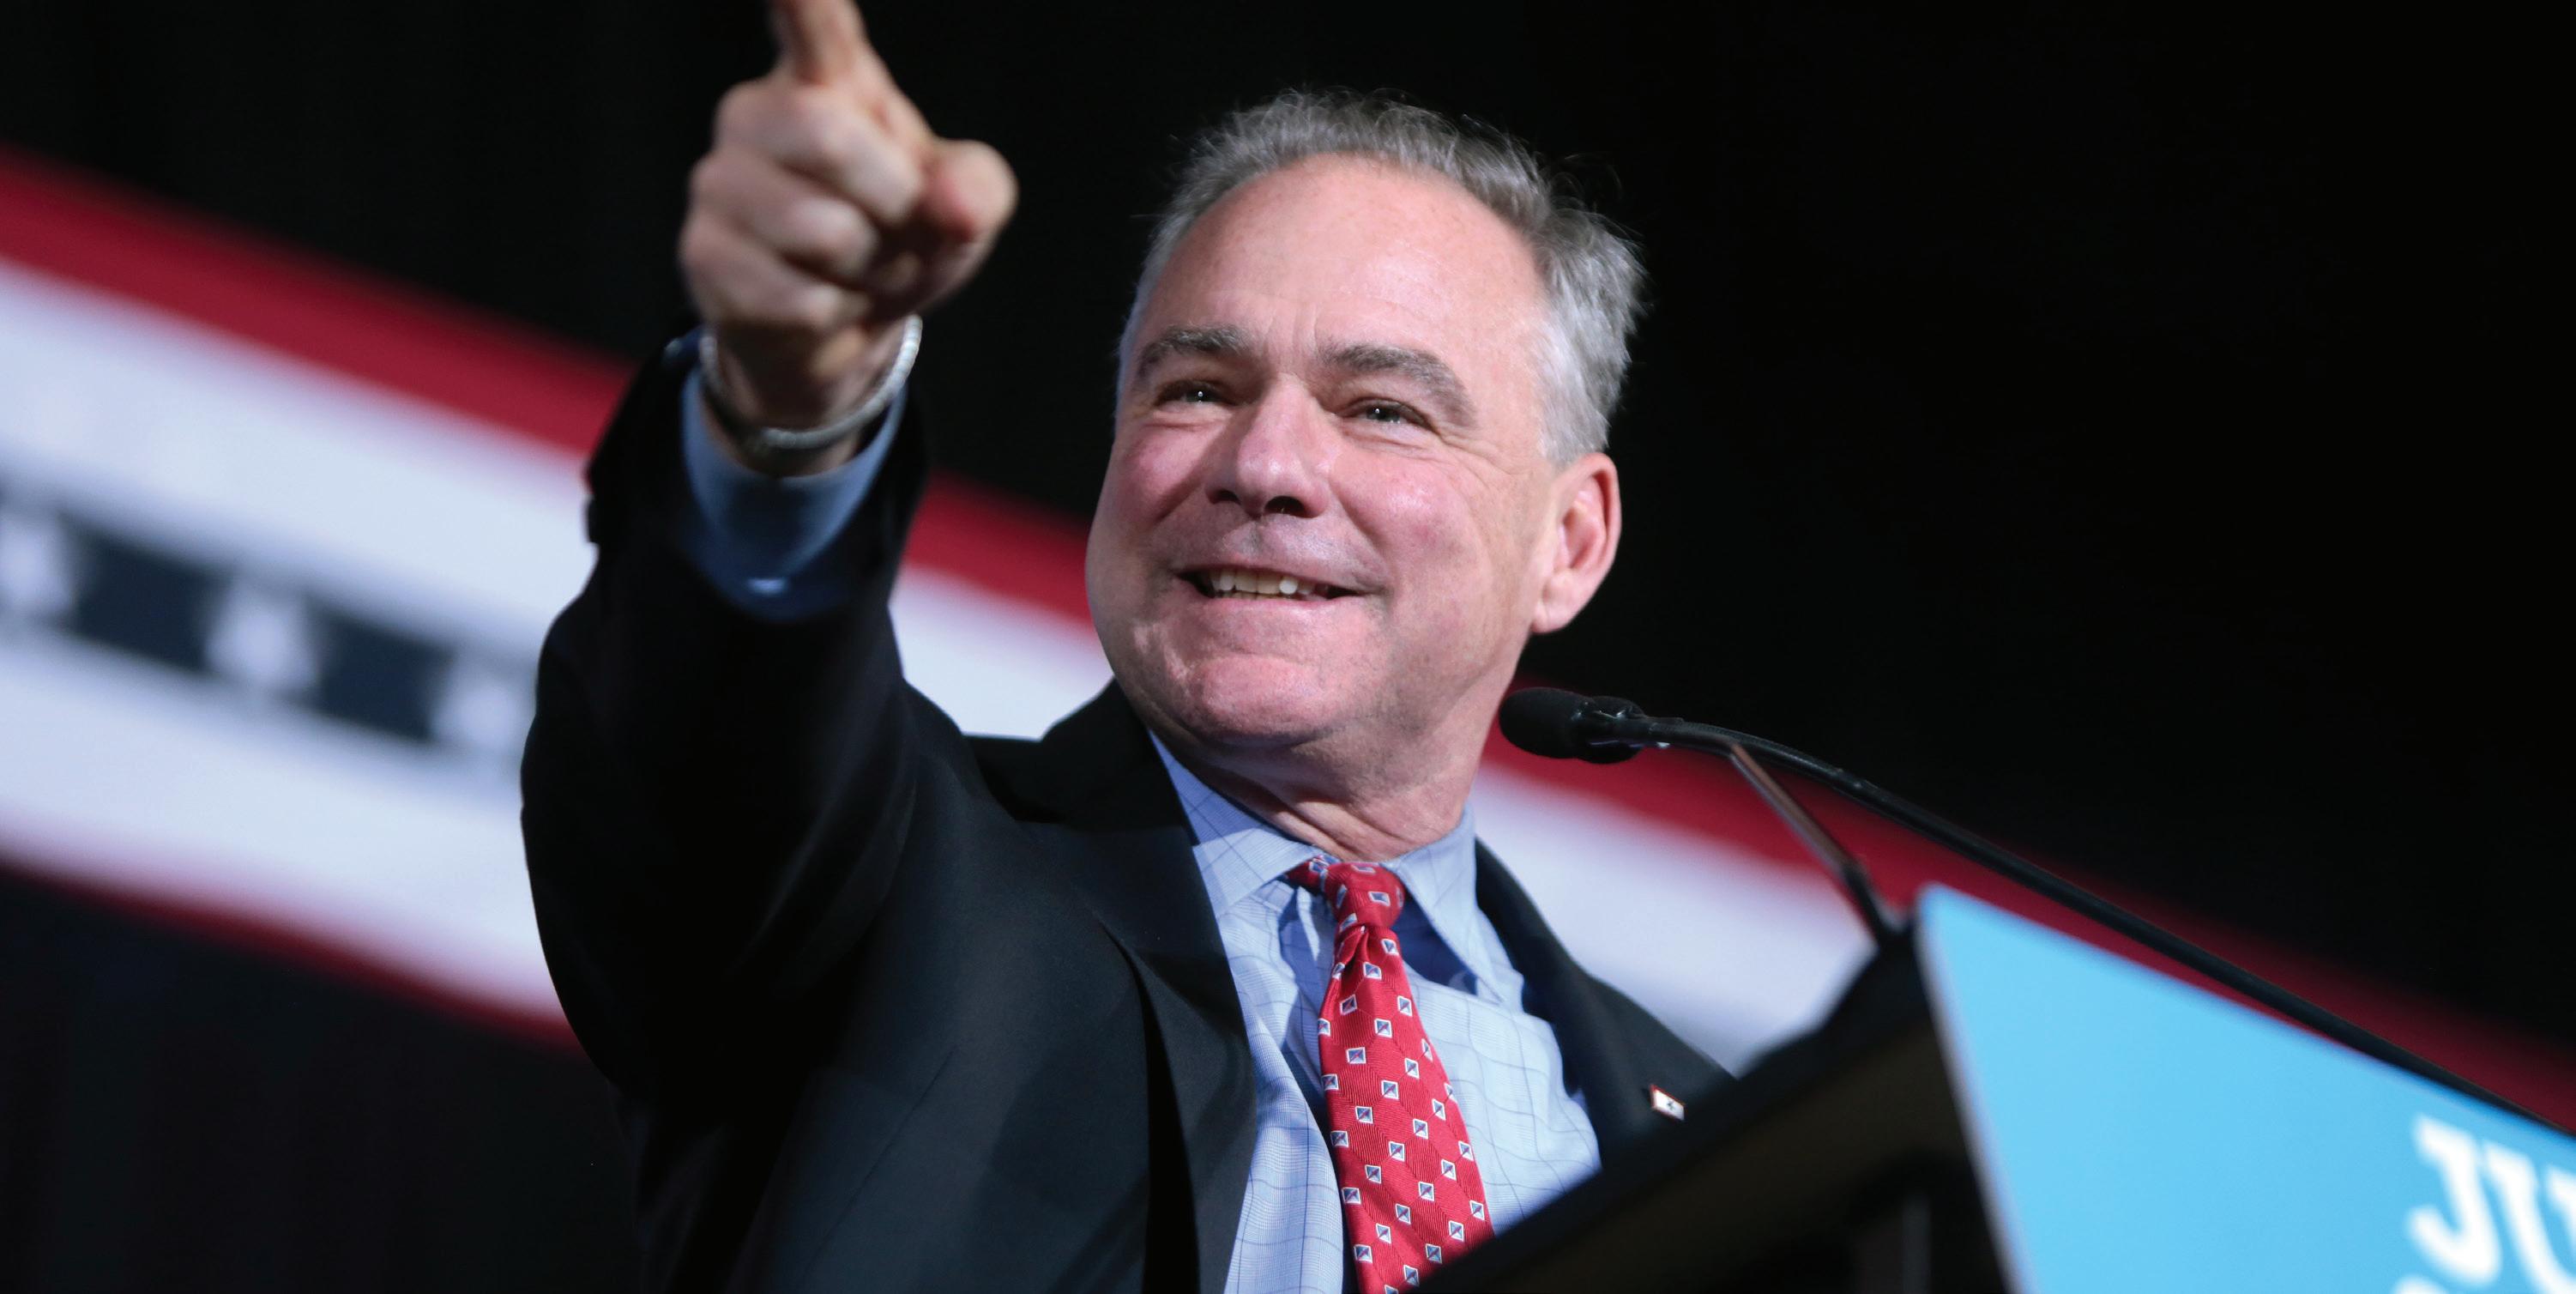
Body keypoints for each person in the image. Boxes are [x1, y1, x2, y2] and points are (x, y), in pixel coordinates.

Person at [520, 1, 1726, 1289]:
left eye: (1382, 409)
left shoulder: (1713, 1138)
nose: (1265, 463)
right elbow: (714, 713)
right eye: (1197, 388)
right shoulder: (878, 885)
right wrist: (787, 410)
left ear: (1569, 542)